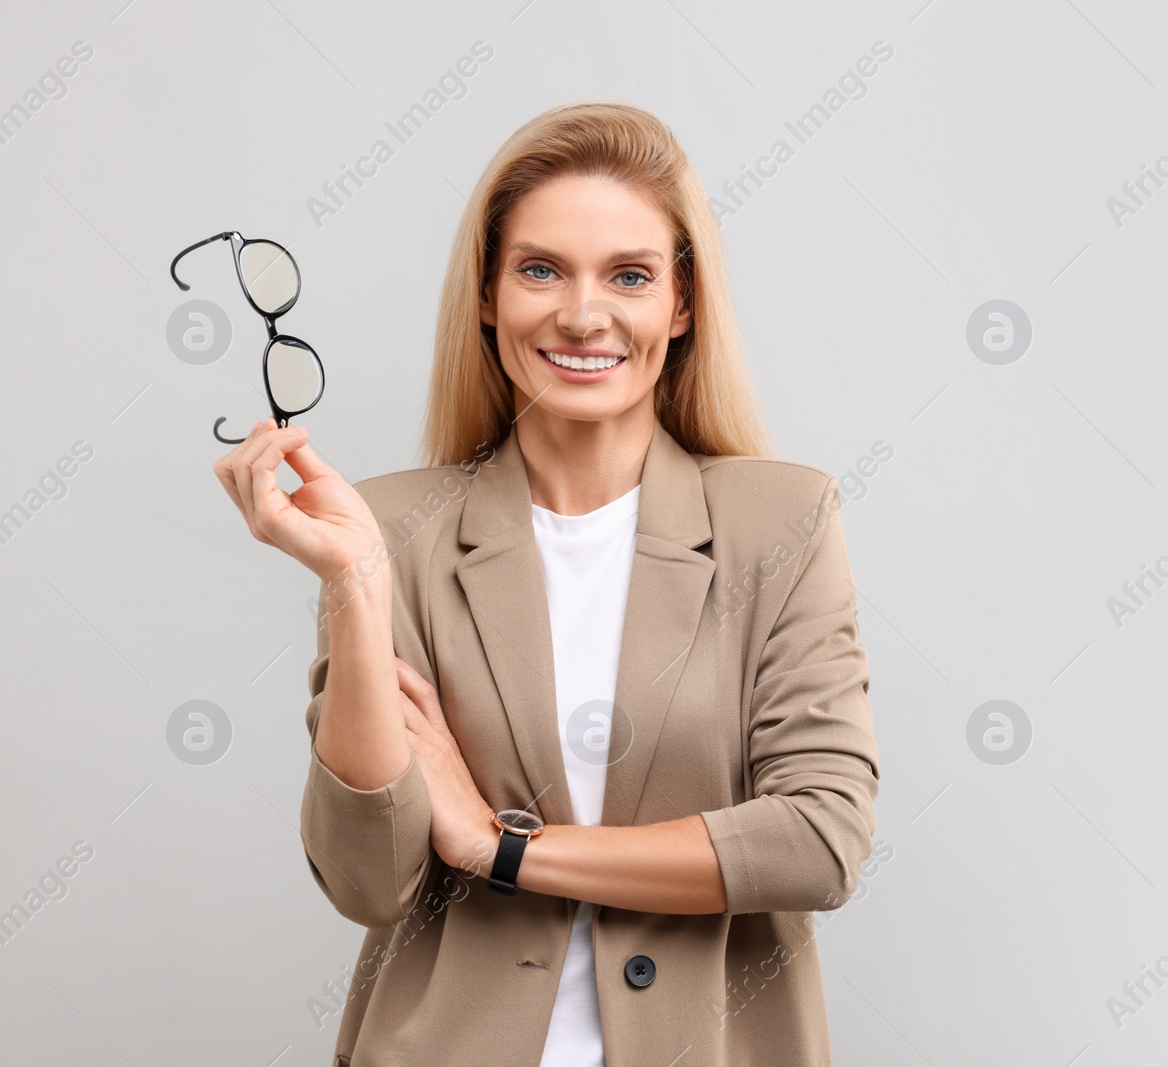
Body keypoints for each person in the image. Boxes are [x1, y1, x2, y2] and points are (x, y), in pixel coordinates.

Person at [213, 100, 880, 1066]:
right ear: (487, 295)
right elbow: (367, 881)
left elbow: (820, 840)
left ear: (681, 305)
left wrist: (501, 848)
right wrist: (357, 586)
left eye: (630, 275)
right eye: (539, 269)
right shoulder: (393, 527)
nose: (581, 312)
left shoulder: (782, 521)